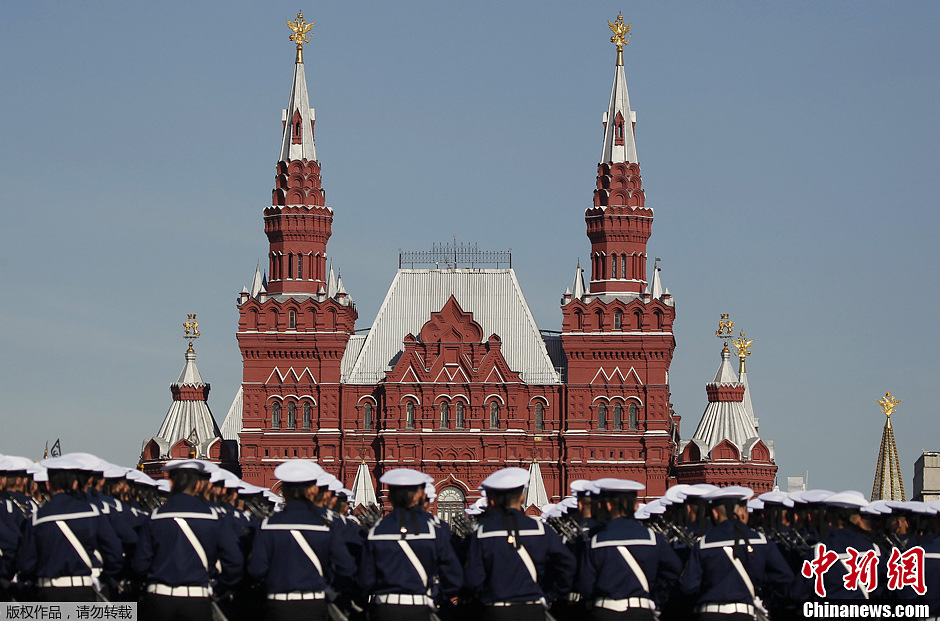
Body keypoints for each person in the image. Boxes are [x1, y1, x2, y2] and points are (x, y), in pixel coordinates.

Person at [132, 459, 243, 621]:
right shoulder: (214, 517)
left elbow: (140, 564)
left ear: (171, 483)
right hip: (196, 599)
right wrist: (219, 587)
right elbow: (234, 561)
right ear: (198, 485)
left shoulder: (155, 517)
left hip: (159, 599)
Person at [247, 460, 357, 621]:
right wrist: (330, 589)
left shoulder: (268, 525)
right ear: (313, 490)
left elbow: (256, 569)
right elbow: (347, 567)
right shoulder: (326, 525)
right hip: (314, 604)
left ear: (284, 492)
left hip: (278, 605)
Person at [464, 467, 575, 621]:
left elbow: (472, 579)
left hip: (496, 611)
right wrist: (550, 595)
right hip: (533, 610)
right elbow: (568, 566)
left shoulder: (481, 532)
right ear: (522, 498)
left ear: (492, 501)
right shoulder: (541, 530)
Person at [16, 456, 124, 602]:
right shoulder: (91, 512)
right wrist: (104, 577)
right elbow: (114, 552)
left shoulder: (37, 518)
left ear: (48, 485)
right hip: (82, 590)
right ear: (75, 484)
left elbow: (26, 564)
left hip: (47, 592)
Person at [360, 467, 462, 621]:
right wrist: (437, 598)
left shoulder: (376, 529)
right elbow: (453, 578)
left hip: (384, 609)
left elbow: (365, 579)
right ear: (419, 495)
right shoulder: (435, 528)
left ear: (390, 496)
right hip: (419, 609)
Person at [679, 486, 793, 621]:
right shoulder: (761, 541)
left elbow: (688, 586)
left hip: (709, 613)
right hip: (744, 613)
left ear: (715, 513)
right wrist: (767, 602)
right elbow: (785, 578)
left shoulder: (703, 544)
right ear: (742, 512)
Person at [576, 478, 682, 620]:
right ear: (636, 506)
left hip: (605, 611)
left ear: (608, 506)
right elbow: (674, 569)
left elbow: (585, 583)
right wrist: (656, 598)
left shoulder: (596, 540)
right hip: (640, 611)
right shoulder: (653, 537)